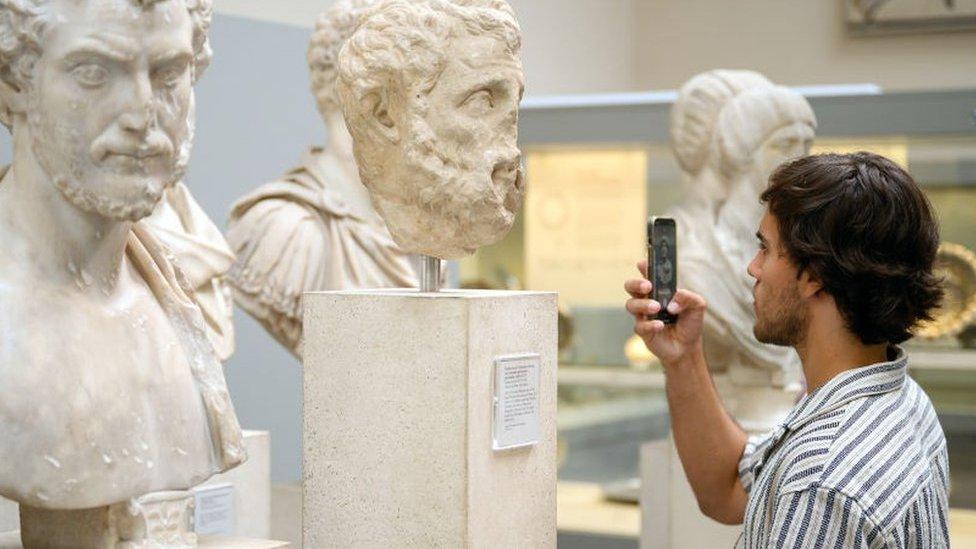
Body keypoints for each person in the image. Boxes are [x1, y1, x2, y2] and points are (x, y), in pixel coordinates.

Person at [626, 152, 949, 547]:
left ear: (813, 275)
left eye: (766, 249)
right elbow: (726, 489)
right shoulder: (904, 403)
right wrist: (684, 356)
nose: (752, 268)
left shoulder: (820, 482)